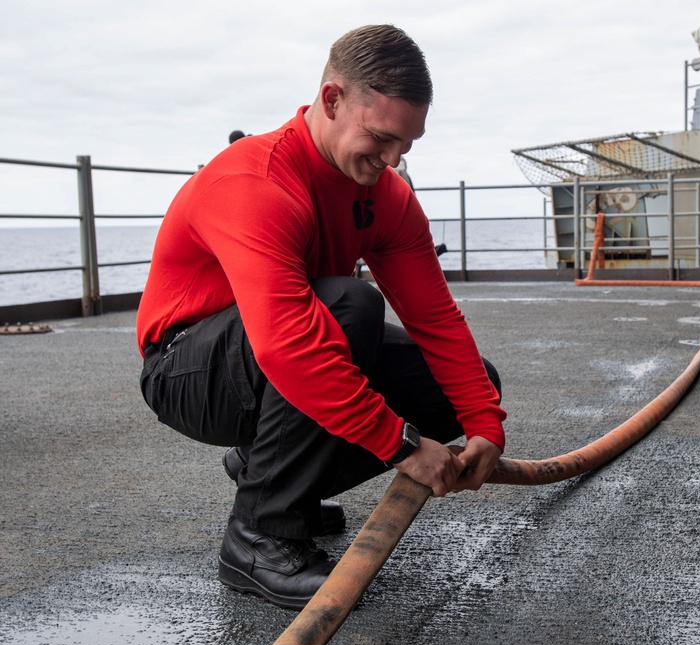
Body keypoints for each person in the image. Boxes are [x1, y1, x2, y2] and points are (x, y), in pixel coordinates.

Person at [136, 24, 507, 610]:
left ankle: (269, 472)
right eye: (382, 138)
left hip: (278, 351)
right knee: (349, 305)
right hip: (187, 370)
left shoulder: (385, 196)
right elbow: (289, 347)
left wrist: (485, 421)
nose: (392, 161)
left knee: (467, 384)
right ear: (332, 100)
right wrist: (403, 447)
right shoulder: (254, 179)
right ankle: (259, 535)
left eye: (407, 146)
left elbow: (434, 316)